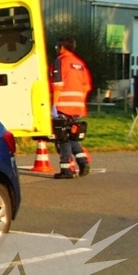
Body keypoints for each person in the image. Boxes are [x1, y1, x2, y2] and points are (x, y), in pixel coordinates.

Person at [51, 36, 92, 179]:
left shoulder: (60, 62)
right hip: (78, 107)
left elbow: (57, 85)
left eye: (57, 46)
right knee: (72, 136)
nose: (56, 49)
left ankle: (66, 169)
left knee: (62, 138)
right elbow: (86, 87)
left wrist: (54, 105)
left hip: (63, 106)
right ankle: (83, 161)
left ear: (62, 47)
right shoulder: (79, 64)